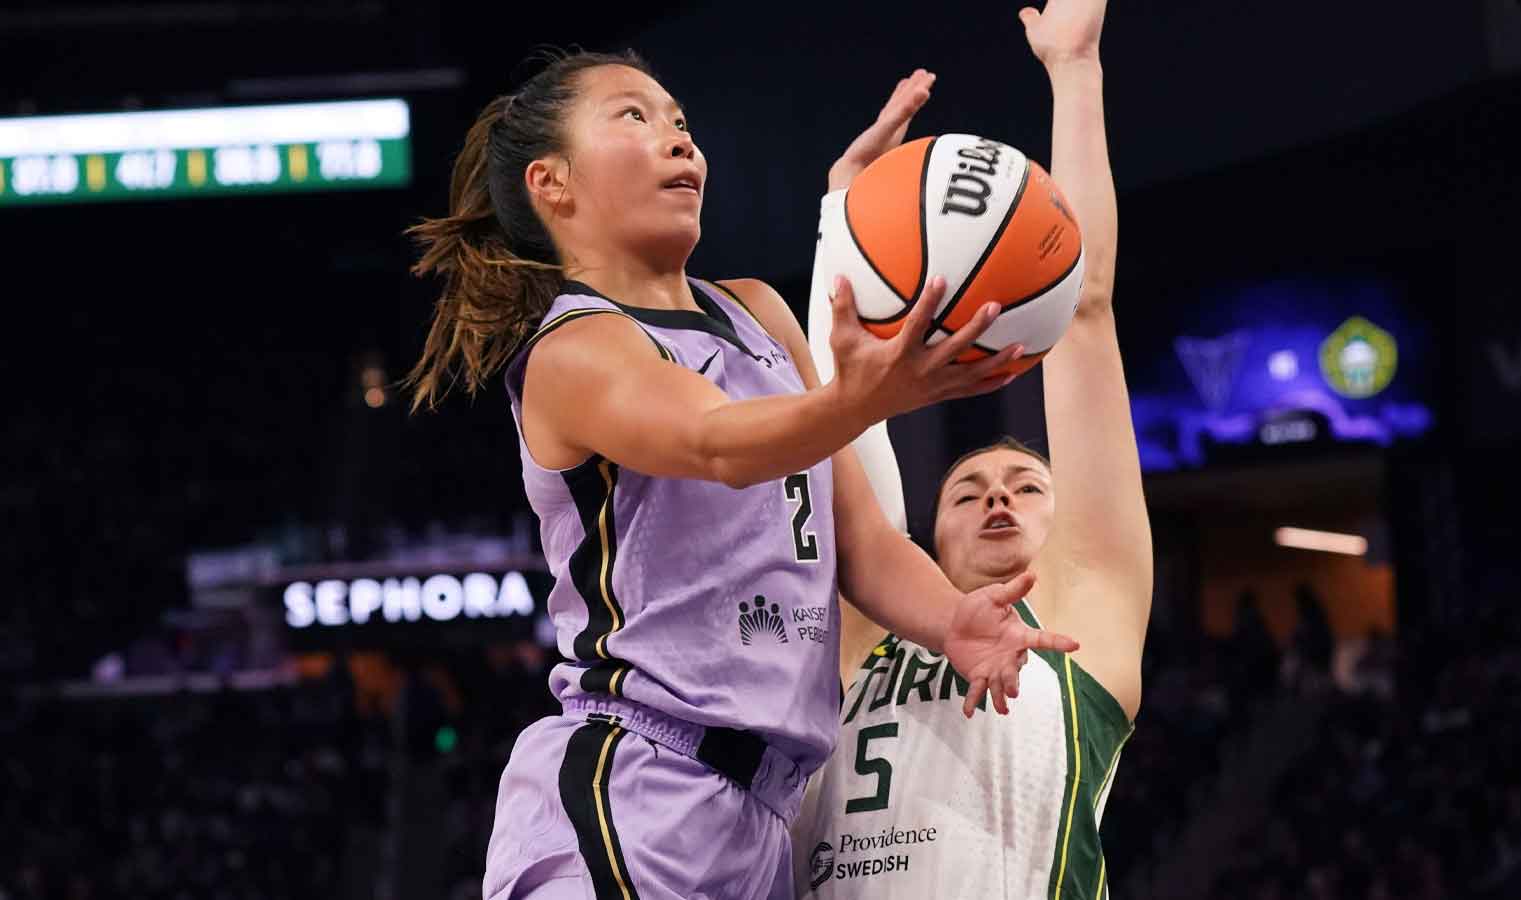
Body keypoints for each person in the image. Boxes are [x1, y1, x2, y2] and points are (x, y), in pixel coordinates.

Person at [403, 50, 1080, 900]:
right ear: (553, 183)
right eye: (634, 118)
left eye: (681, 121)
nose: (677, 140)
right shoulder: (573, 348)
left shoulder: (756, 310)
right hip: (637, 786)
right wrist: (869, 398)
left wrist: (954, 621)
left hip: (761, 816)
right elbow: (720, 441)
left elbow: (862, 544)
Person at [791, 2, 1152, 897]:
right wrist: (847, 227)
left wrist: (1076, 71)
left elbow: (1087, 310)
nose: (996, 496)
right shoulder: (861, 638)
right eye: (968, 491)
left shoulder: (1086, 629)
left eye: (1027, 486)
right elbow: (837, 409)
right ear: (927, 540)